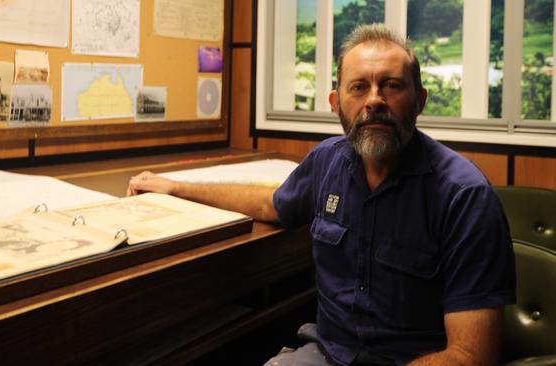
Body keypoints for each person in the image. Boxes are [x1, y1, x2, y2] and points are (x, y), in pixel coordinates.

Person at [127, 24, 516, 366]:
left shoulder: (464, 196)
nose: (374, 100)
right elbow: (269, 203)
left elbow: (471, 356)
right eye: (359, 86)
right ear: (336, 104)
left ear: (420, 100)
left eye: (392, 85)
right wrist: (175, 187)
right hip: (327, 354)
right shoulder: (327, 162)